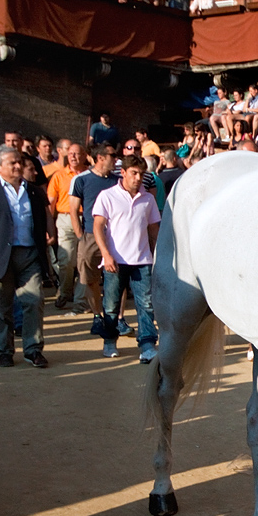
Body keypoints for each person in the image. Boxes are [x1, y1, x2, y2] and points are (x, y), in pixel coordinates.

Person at [0, 146, 53, 368]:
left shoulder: (33, 191)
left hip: (29, 254)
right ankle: (4, 350)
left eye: (19, 162)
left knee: (34, 300)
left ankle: (33, 350)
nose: (18, 166)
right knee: (2, 307)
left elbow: (43, 218)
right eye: (12, 163)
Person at [92, 155, 160, 363]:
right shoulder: (107, 196)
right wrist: (106, 254)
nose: (138, 178)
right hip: (114, 261)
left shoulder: (147, 199)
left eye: (141, 174)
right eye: (134, 173)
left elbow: (154, 229)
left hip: (142, 261)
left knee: (146, 304)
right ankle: (110, 341)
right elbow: (98, 227)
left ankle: (147, 345)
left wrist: (157, 256)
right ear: (123, 173)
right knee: (111, 305)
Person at [69, 143, 118, 326]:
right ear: (100, 158)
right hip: (90, 235)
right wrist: (80, 235)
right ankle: (97, 315)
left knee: (116, 279)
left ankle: (116, 318)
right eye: (113, 155)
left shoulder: (117, 180)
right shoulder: (81, 180)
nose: (116, 159)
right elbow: (73, 210)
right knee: (90, 279)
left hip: (114, 237)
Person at [47, 143, 88, 309]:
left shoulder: (90, 174)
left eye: (77, 154)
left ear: (84, 155)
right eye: (70, 153)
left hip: (86, 219)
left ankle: (80, 298)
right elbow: (51, 202)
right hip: (65, 219)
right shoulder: (59, 176)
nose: (73, 157)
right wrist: (48, 227)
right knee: (66, 259)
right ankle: (64, 292)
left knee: (84, 261)